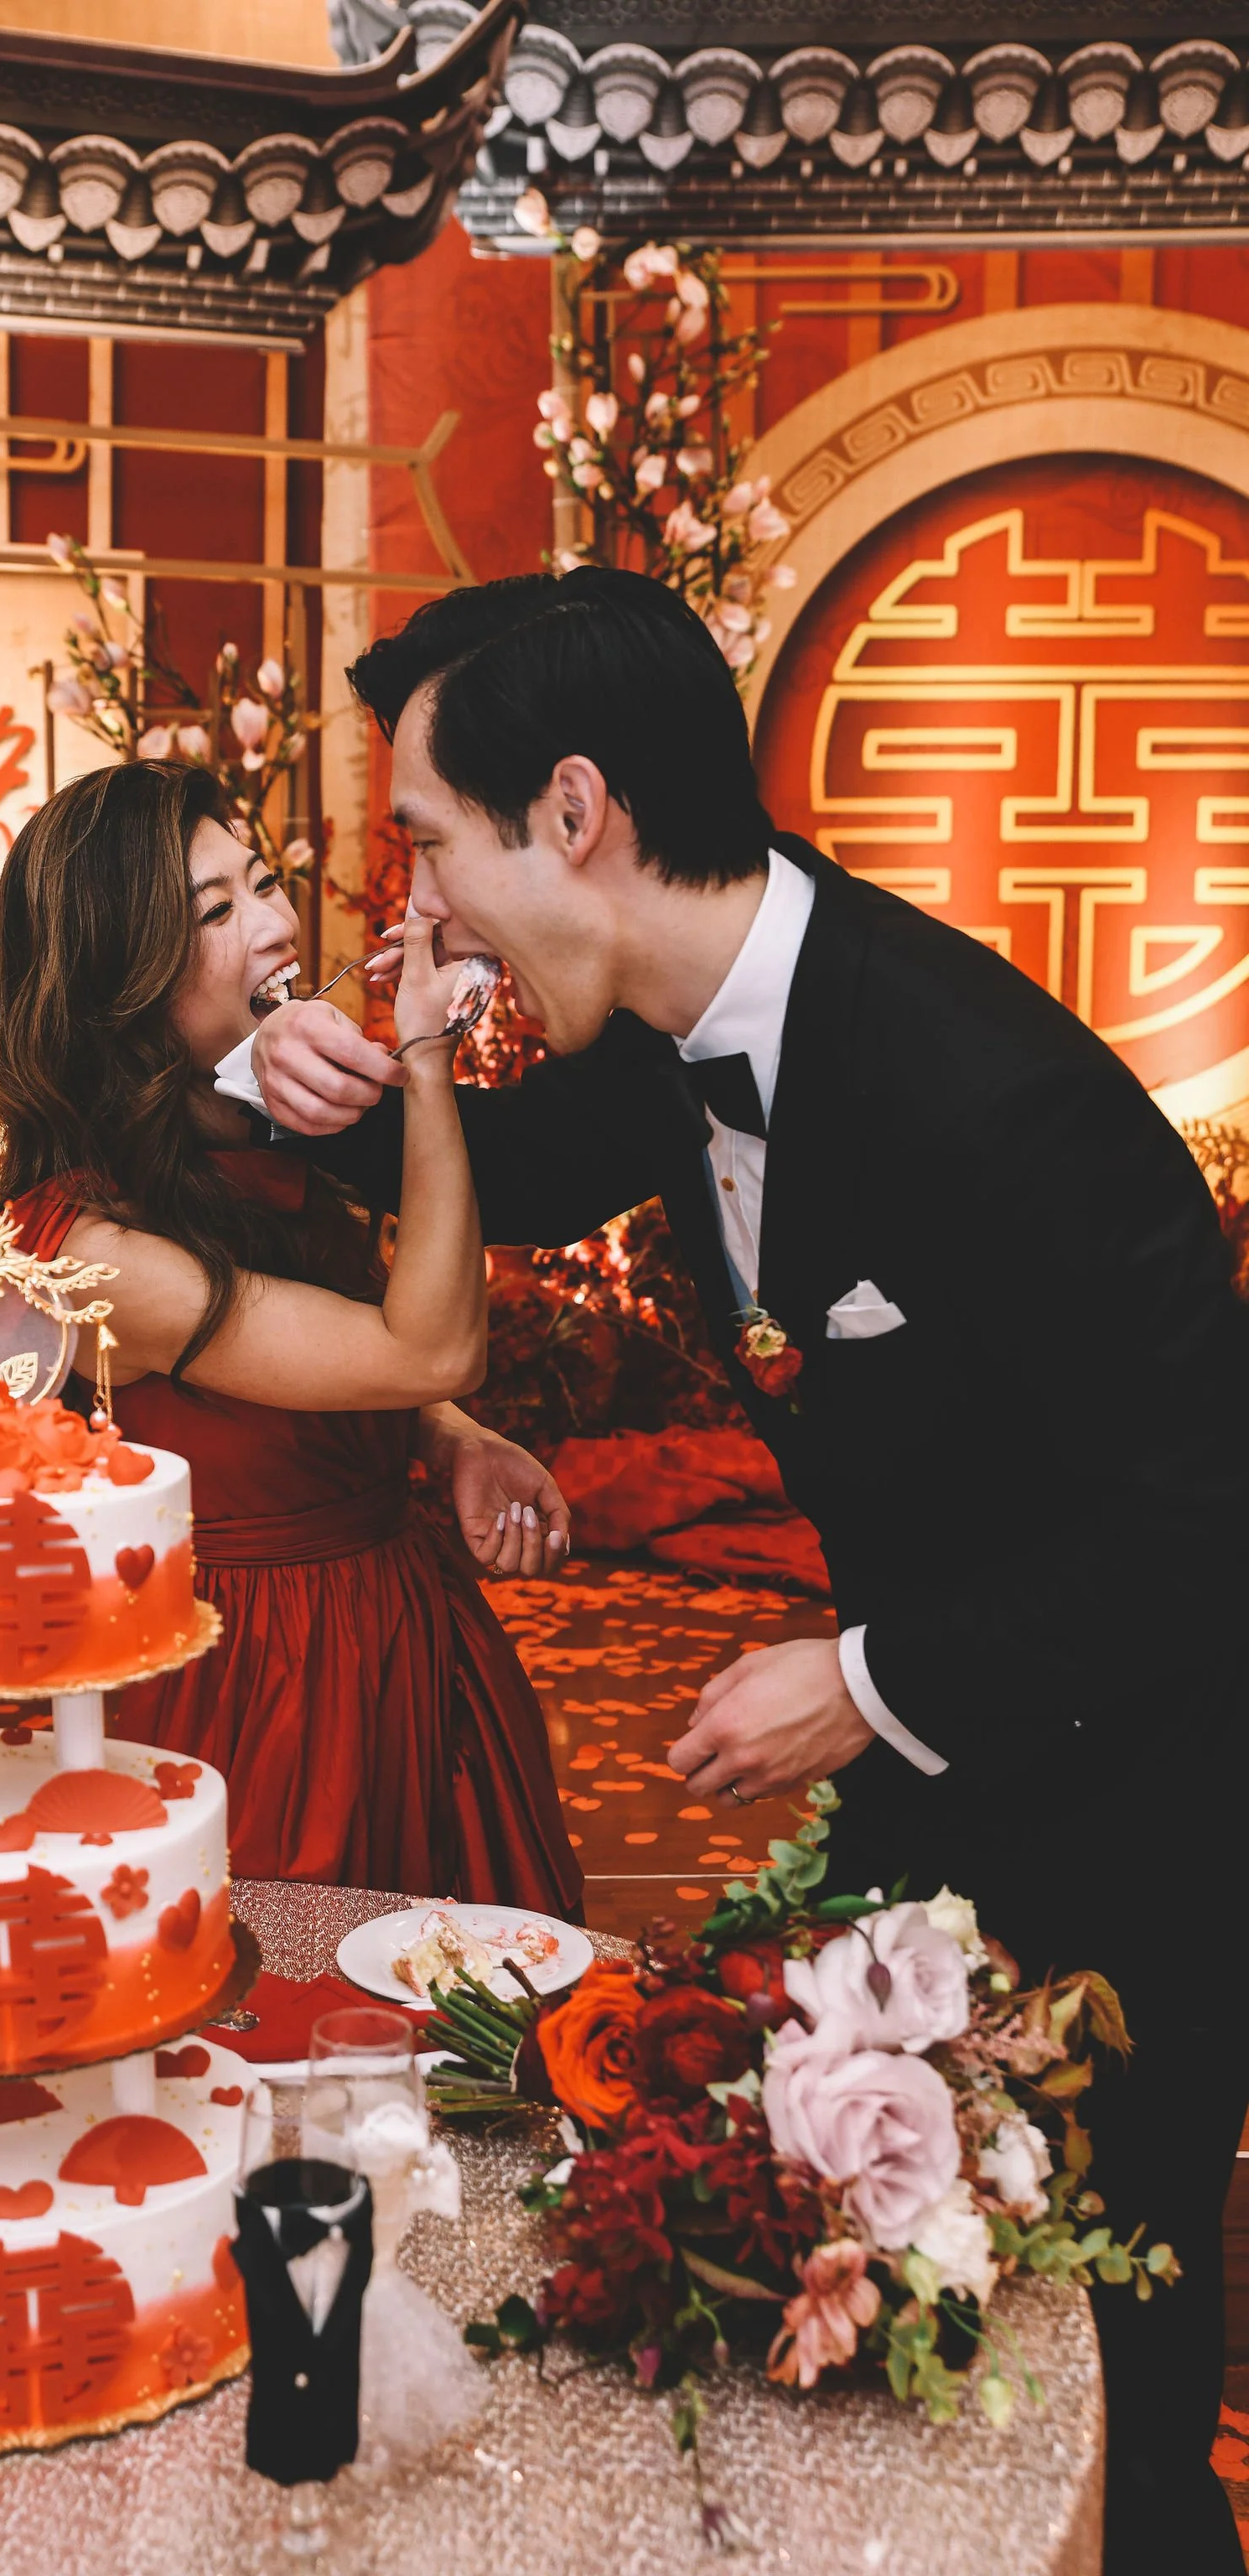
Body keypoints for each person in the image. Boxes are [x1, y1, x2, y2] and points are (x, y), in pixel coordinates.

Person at [236, 566, 1249, 2570]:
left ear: (578, 816)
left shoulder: (998, 1095)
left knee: (1114, 2366)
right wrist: (289, 1081)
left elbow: (1200, 1523)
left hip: (1140, 1802)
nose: (421, 911)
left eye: (432, 844)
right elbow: (512, 1175)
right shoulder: (683, 1021)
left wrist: (858, 1679)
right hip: (930, 1786)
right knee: (861, 2290)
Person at [0, 756, 581, 1918]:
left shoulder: (267, 1131)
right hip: (258, 1686)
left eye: (262, 881)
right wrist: (426, 1059)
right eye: (217, 910)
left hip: (406, 1634)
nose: (275, 924)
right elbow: (428, 1348)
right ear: (123, 983)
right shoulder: (86, 1249)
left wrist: (447, 1442)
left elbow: (367, 1371)